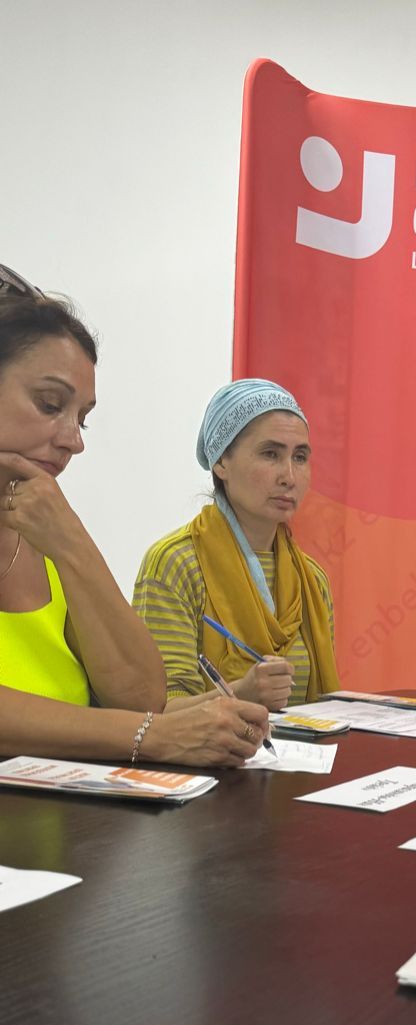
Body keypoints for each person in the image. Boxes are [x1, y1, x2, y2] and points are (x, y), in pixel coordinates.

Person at [0, 265, 268, 767]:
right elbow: (143, 721)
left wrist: (71, 542)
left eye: (82, 420)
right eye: (49, 404)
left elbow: (140, 696)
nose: (73, 441)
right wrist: (149, 736)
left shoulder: (43, 532)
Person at [134, 380, 339, 711]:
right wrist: (240, 695)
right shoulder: (176, 563)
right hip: (202, 747)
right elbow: (155, 712)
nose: (289, 476)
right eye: (270, 454)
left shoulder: (312, 581)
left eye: (300, 457)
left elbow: (321, 710)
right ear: (221, 463)